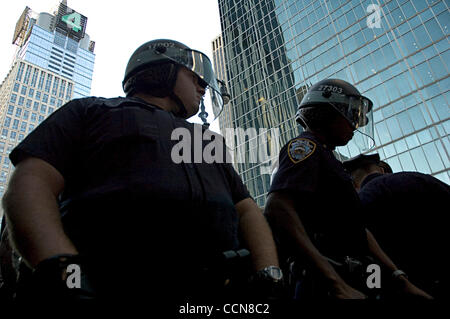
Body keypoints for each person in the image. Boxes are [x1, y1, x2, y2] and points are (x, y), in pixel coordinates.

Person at [2, 39, 282, 304]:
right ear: (162, 70)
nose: (202, 87)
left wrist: (268, 274)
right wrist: (66, 275)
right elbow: (32, 183)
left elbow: (245, 208)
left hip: (215, 293)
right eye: (194, 78)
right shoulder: (90, 111)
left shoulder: (208, 140)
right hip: (109, 290)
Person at [264, 78, 432, 299]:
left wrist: (399, 279)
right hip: (322, 286)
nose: (355, 124)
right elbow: (277, 208)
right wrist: (335, 285)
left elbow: (358, 230)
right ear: (328, 110)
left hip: (355, 279)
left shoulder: (330, 160)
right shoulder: (306, 147)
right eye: (351, 115)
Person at [343, 153, 450, 298]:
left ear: (354, 183)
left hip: (408, 285)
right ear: (381, 170)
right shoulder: (418, 178)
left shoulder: (359, 202)